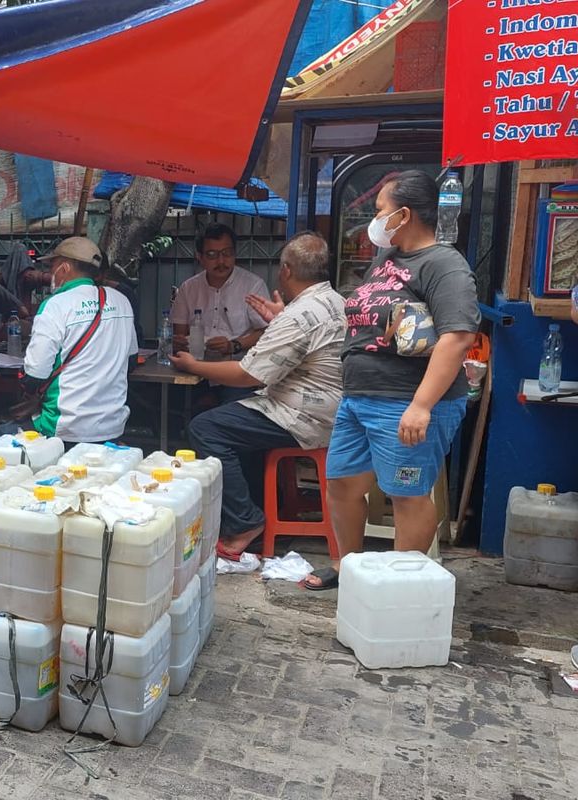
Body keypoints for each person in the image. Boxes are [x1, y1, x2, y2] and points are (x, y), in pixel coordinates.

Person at [303, 170, 479, 591]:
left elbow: (458, 337)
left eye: (380, 210)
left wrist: (421, 405)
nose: (374, 218)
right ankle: (349, 568)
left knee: (407, 493)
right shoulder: (387, 261)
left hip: (405, 401)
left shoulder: (444, 264)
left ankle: (402, 589)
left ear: (403, 215)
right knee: (343, 484)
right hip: (360, 397)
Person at [172, 232, 345, 559]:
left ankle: (245, 521)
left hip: (304, 415)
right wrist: (278, 320)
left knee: (205, 428)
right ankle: (254, 507)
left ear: (287, 271)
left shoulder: (298, 315)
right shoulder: (334, 301)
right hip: (325, 407)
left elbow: (247, 373)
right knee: (233, 418)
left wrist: (195, 365)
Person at [0, 236, 137, 445]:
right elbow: (131, 360)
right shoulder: (121, 302)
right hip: (112, 426)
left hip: (63, 427)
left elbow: (35, 373)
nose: (49, 273)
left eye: (52, 266)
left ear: (64, 268)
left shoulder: (55, 305)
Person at [171, 223, 270, 403]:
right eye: (212, 255)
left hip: (237, 371)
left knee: (227, 413)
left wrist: (234, 345)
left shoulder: (253, 285)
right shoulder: (188, 288)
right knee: (172, 403)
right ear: (199, 257)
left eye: (227, 253)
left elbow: (266, 331)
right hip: (196, 368)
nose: (221, 261)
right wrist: (180, 342)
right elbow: (180, 333)